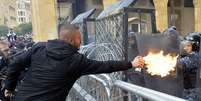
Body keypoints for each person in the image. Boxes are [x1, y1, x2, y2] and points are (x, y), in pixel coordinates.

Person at [4, 24, 145, 101]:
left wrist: (9, 88)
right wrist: (131, 64)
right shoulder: (76, 61)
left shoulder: (40, 47)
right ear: (71, 40)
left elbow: (16, 64)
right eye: (79, 38)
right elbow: (106, 66)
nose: (81, 41)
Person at [178, 32, 201, 101]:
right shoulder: (190, 56)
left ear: (195, 46)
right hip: (188, 91)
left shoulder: (196, 57)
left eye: (188, 46)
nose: (185, 48)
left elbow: (180, 63)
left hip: (195, 93)